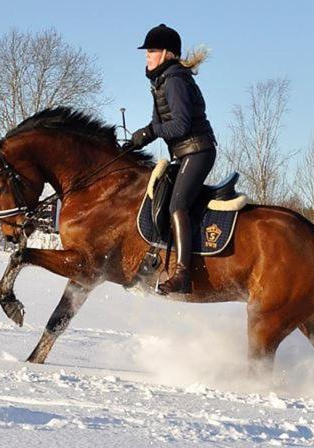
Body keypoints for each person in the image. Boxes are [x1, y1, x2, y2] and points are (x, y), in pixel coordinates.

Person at [124, 23, 217, 295]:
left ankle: (183, 275)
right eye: (147, 51)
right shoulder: (161, 81)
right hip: (186, 152)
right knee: (158, 195)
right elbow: (158, 124)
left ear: (166, 53)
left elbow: (180, 126)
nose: (147, 55)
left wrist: (150, 132)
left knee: (178, 205)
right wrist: (137, 140)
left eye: (151, 50)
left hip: (198, 151)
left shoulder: (175, 79)